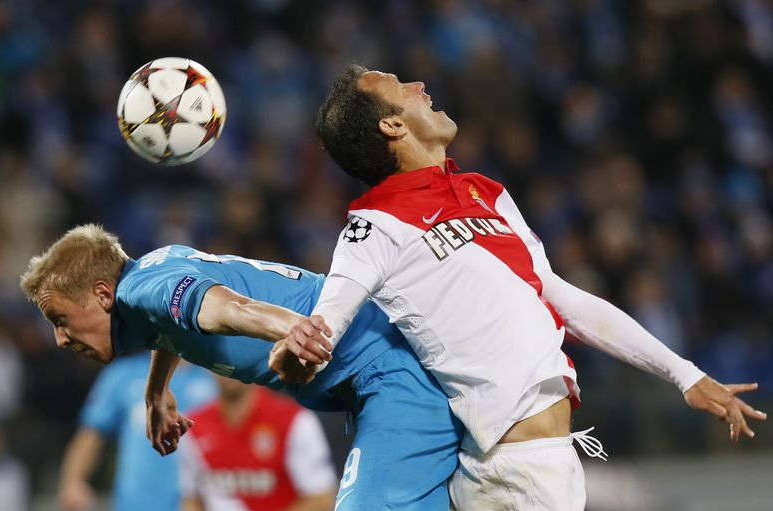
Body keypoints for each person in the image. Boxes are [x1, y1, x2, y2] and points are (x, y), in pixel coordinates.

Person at [281, 64, 768, 511]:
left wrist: (684, 374)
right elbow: (324, 324)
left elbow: (564, 299)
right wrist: (297, 348)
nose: (419, 86)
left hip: (525, 464)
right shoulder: (373, 225)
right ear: (392, 126)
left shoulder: (484, 192)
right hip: (519, 467)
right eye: (400, 87)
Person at [19, 224, 463, 510]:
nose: (60, 338)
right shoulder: (149, 273)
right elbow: (170, 322)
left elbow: (224, 308)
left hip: (385, 373)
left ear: (101, 294)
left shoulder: (143, 292)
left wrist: (296, 330)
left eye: (60, 319)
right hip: (375, 373)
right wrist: (157, 390)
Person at [56, 352, 217, 511]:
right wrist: (73, 481)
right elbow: (90, 434)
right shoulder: (123, 374)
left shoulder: (214, 378)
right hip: (135, 505)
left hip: (198, 503)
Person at [179, 375, 337, 511]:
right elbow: (192, 499)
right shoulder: (193, 426)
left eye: (235, 357)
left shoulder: (294, 421)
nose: (227, 367)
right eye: (220, 357)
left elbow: (322, 499)